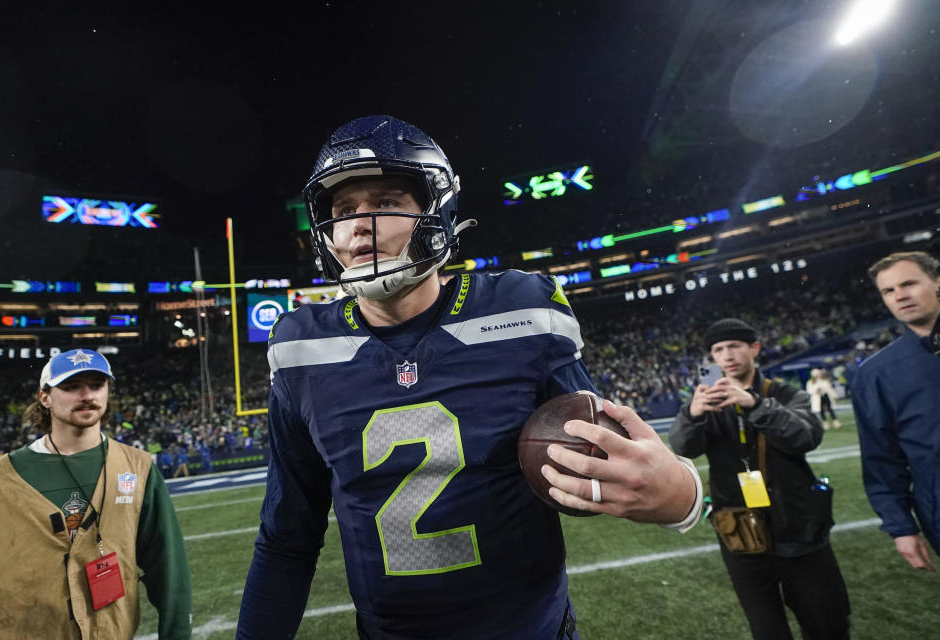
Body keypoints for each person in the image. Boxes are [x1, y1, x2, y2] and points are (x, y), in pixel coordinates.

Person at [237, 115, 702, 639]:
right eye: (344, 210)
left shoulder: (522, 311)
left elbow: (599, 457)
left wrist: (680, 492)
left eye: (386, 202)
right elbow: (286, 539)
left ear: (435, 212)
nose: (358, 224)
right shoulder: (302, 348)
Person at [0, 348, 192, 639]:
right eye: (70, 387)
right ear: (45, 397)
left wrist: (177, 632)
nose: (87, 395)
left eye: (96, 385)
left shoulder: (137, 468)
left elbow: (168, 564)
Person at [669, 318, 850, 640]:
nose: (727, 355)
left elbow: (805, 437)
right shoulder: (707, 402)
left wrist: (754, 405)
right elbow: (684, 447)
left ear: (754, 348)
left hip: (800, 524)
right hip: (739, 529)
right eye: (718, 350)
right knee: (766, 628)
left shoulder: (784, 393)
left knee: (827, 622)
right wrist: (692, 415)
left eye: (735, 346)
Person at [851, 251, 940, 570]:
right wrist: (901, 526)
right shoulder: (876, 373)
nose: (899, 295)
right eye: (888, 291)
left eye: (909, 284)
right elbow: (880, 457)